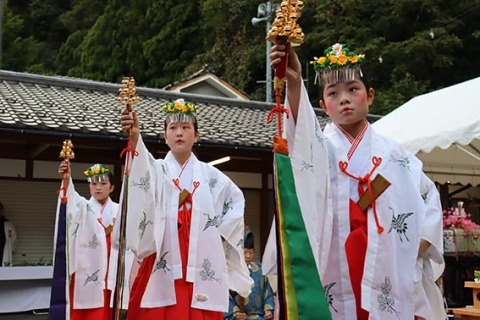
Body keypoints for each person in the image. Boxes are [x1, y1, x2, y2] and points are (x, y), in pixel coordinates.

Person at [265, 42, 446, 319]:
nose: (344, 99)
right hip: (335, 259)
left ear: (370, 96)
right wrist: (293, 82)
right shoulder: (320, 148)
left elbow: (427, 199)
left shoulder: (396, 155)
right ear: (323, 106)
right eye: (333, 93)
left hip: (386, 258)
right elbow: (301, 138)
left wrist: (412, 247)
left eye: (353, 89)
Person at [120, 98, 253, 320]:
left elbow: (236, 200)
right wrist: (135, 138)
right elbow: (140, 169)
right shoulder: (157, 169)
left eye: (186, 128)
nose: (179, 133)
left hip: (200, 253)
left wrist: (218, 234)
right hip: (162, 249)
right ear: (165, 136)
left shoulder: (211, 176)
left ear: (196, 135)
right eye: (172, 128)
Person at [56, 161, 128, 319]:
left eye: (103, 183)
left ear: (112, 187)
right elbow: (71, 198)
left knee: (108, 306)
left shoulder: (120, 210)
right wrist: (67, 179)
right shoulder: (83, 207)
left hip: (112, 265)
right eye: (93, 183)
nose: (98, 187)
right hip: (88, 264)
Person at [224, 226, 275, 320]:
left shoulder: (260, 270)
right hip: (239, 317)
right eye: (245, 252)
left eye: (251, 253)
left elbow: (268, 293)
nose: (248, 256)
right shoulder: (230, 271)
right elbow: (226, 296)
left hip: (259, 317)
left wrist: (268, 310)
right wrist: (234, 313)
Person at [0, 202, 16, 266]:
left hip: (4, 252)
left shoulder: (8, 224)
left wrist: (10, 250)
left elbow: (14, 239)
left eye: (0, 209)